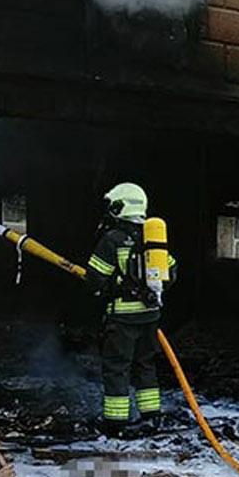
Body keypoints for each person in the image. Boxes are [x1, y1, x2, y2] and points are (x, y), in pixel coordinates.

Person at [85, 182, 175, 437]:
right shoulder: (154, 240)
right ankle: (151, 416)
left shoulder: (112, 239)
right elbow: (171, 273)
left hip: (123, 317)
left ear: (119, 206)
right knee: (145, 364)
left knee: (117, 366)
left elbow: (94, 278)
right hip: (150, 316)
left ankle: (115, 422)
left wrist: (108, 286)